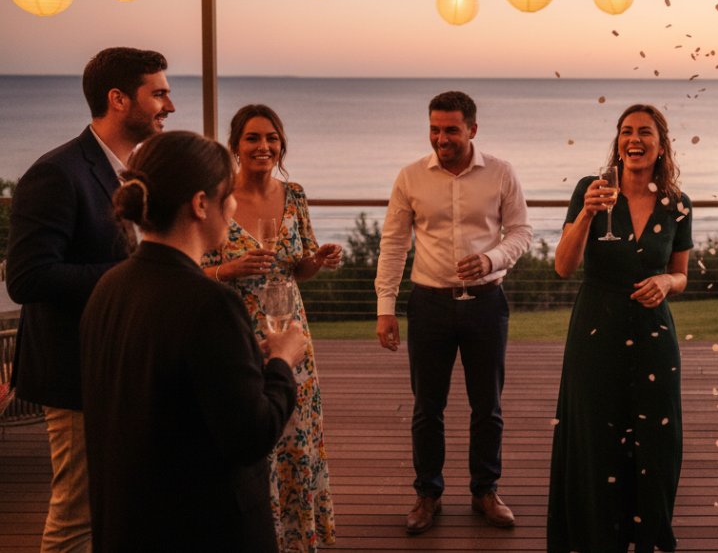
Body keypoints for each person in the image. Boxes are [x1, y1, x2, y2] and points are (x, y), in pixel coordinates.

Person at [79, 130, 306, 552]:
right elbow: (252, 435)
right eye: (228, 195)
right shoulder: (211, 304)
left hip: (130, 523)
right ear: (201, 204)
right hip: (202, 528)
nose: (233, 206)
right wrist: (281, 362)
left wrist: (241, 364)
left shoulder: (110, 286)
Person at [5, 46, 173, 553]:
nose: (169, 105)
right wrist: (135, 274)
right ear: (118, 99)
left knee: (123, 506)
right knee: (77, 514)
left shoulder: (138, 170)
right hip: (77, 371)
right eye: (159, 94)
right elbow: (28, 278)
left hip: (127, 365)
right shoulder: (57, 173)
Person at [373, 91, 532, 534]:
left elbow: (521, 232)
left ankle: (485, 491)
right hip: (429, 304)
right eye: (434, 129)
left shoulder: (501, 173)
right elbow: (393, 244)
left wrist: (491, 260)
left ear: (472, 129)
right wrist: (385, 308)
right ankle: (428, 494)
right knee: (427, 407)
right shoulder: (410, 177)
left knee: (488, 406)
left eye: (451, 130)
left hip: (486, 303)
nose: (441, 139)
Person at [547, 104, 693, 553]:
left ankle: (645, 533)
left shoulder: (678, 203)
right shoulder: (590, 190)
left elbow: (681, 275)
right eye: (626, 131)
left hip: (653, 330)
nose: (634, 139)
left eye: (645, 132)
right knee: (595, 434)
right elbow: (563, 266)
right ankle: (596, 536)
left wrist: (666, 283)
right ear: (618, 142)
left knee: (656, 437)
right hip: (597, 326)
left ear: (661, 145)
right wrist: (586, 215)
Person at [201, 104, 342, 552]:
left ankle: (296, 538)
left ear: (281, 145)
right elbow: (187, 270)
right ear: (235, 145)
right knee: (248, 428)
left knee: (295, 431)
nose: (263, 146)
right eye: (253, 138)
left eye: (272, 138)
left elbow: (299, 269)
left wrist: (317, 260)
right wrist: (229, 269)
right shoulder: (215, 196)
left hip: (290, 329)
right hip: (234, 328)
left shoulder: (294, 195)